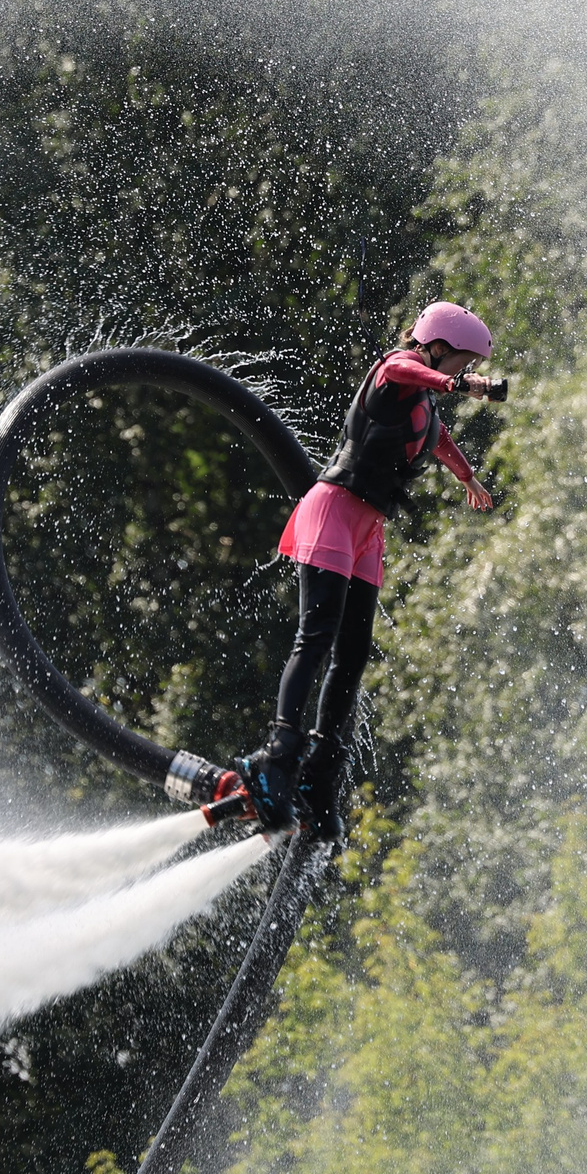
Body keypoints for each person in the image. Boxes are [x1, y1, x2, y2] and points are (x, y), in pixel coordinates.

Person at [237, 301, 503, 838]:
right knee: (317, 635)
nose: (460, 371)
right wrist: (463, 387)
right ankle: (276, 757)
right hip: (334, 508)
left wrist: (470, 479)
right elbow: (405, 369)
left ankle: (318, 777)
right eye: (460, 362)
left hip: (368, 530)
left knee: (353, 654)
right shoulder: (396, 370)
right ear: (437, 348)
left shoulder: (425, 404)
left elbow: (440, 441)